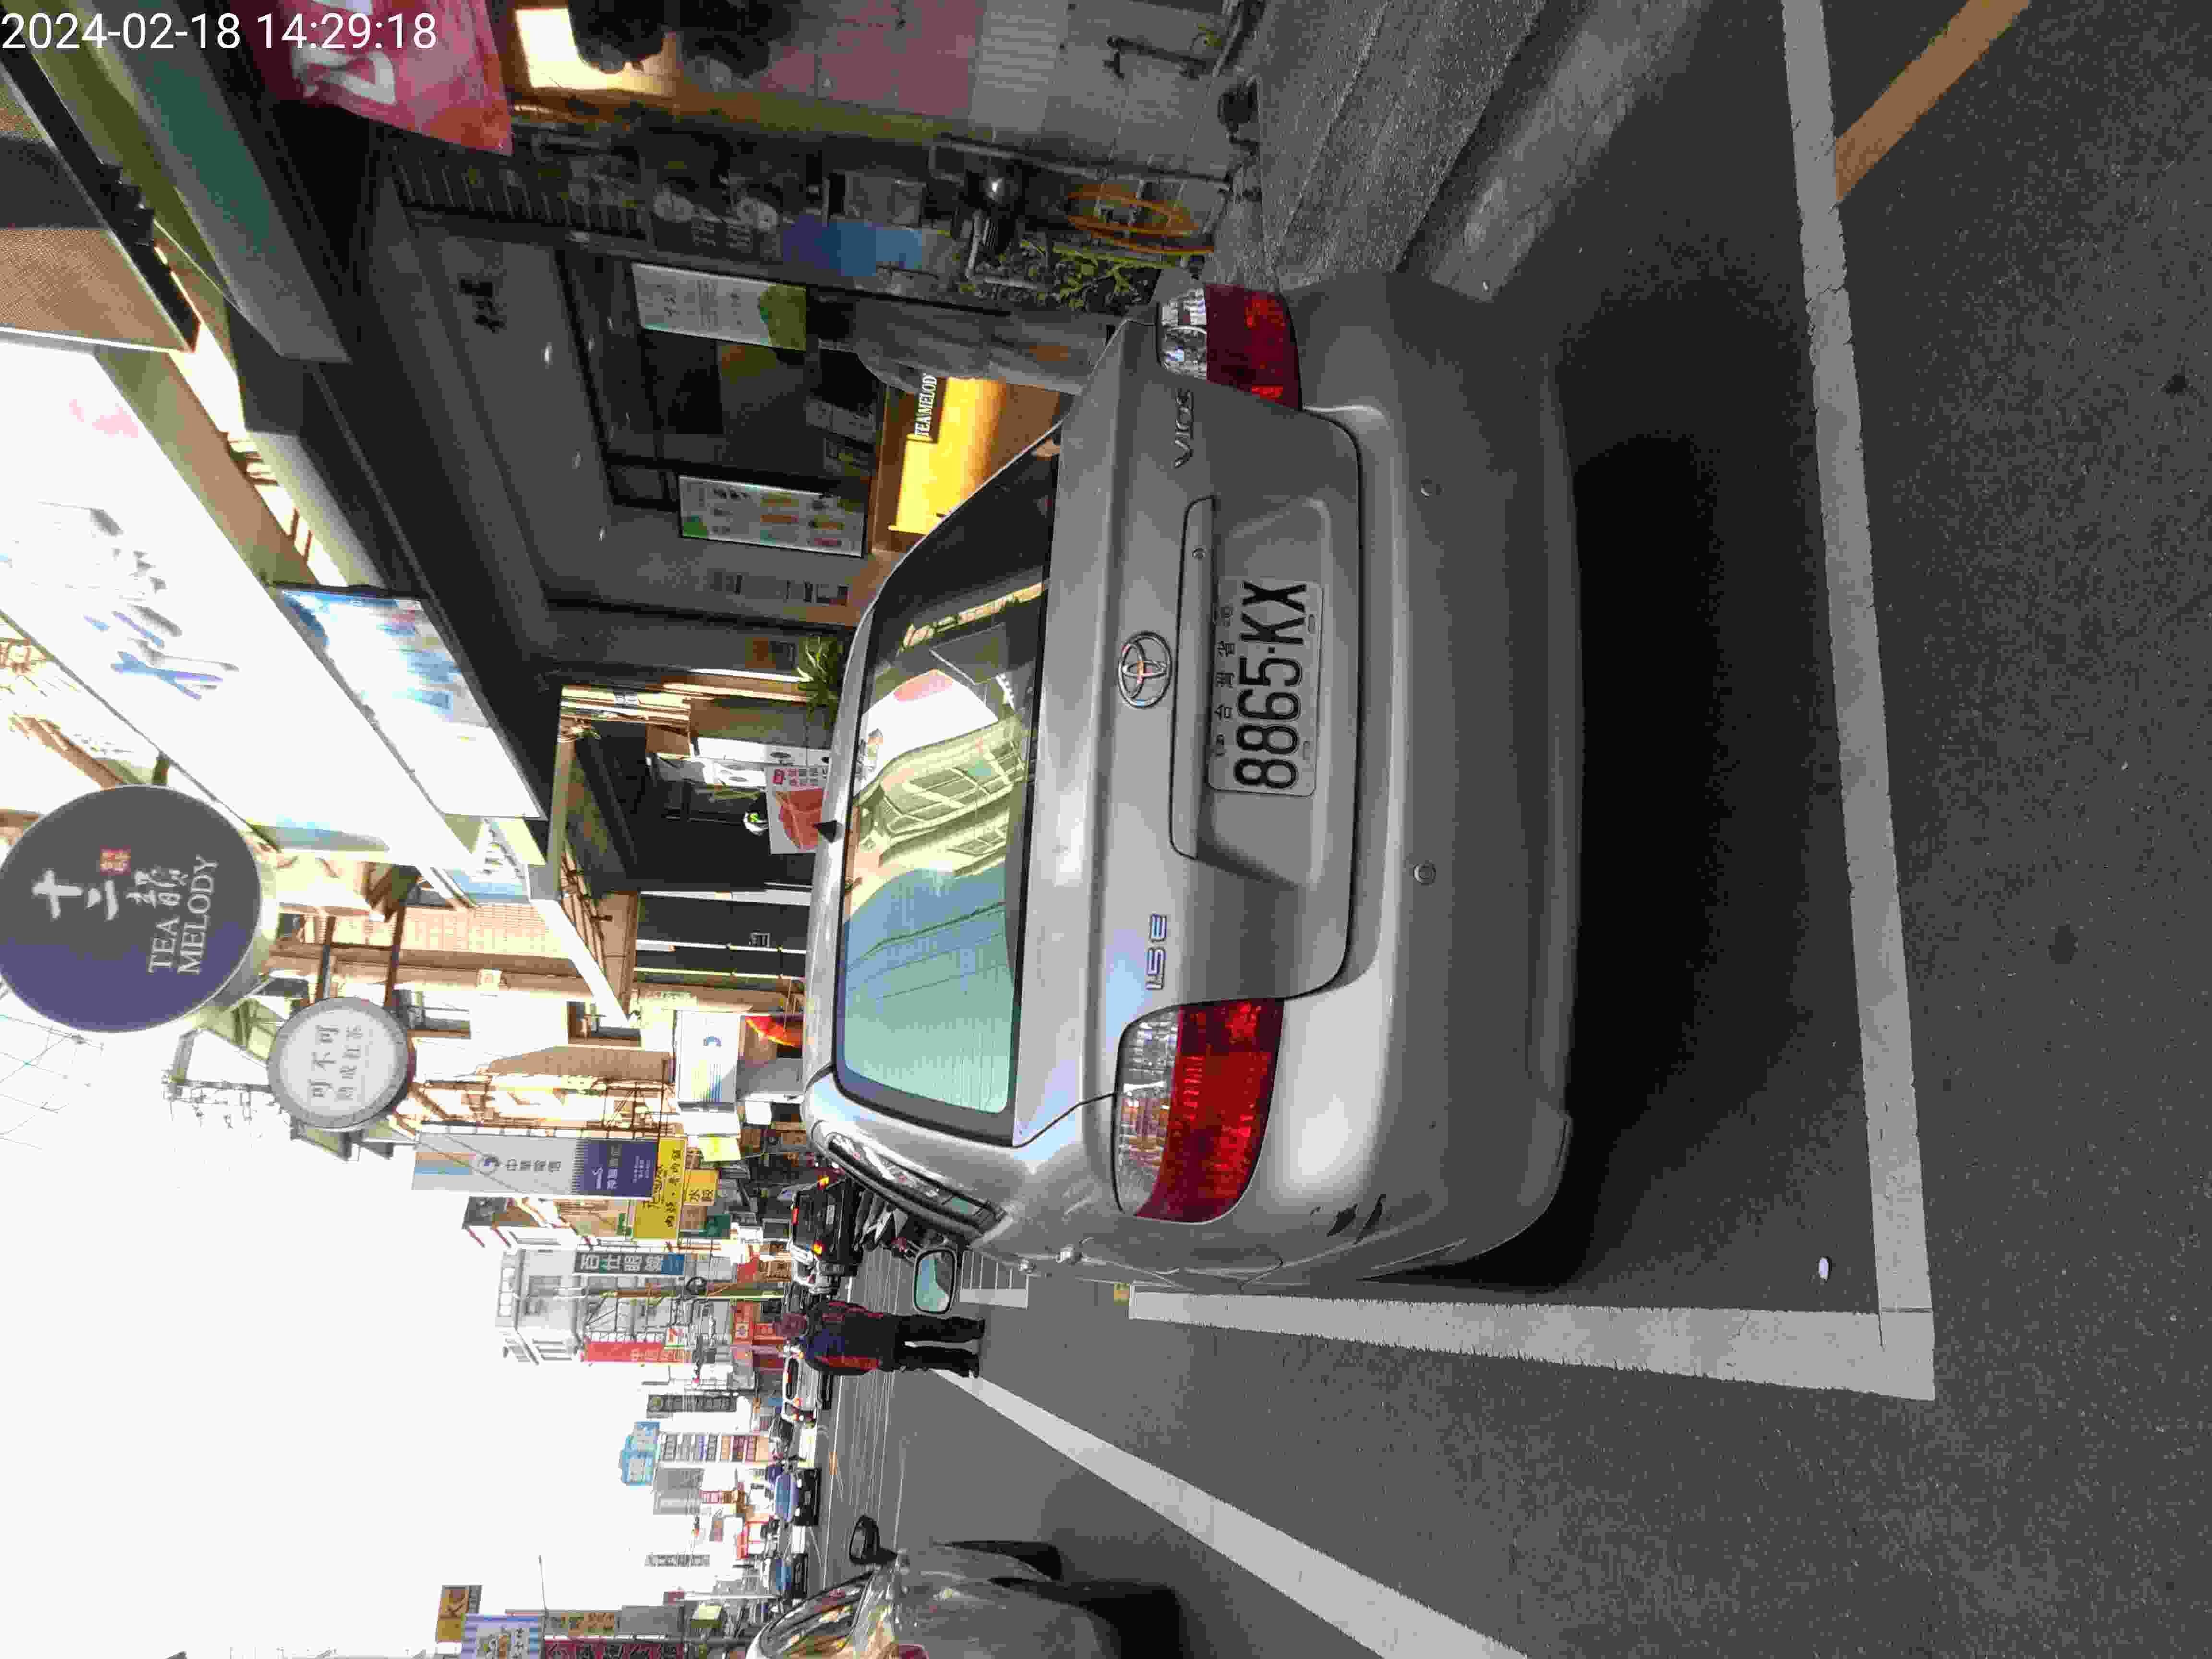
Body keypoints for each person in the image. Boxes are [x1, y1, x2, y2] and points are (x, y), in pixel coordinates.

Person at [787, 1298, 987, 1378]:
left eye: (790, 1319)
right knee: (930, 1359)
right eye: (789, 1328)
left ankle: (971, 1330)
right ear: (791, 1336)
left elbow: (851, 1307)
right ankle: (968, 1362)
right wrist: (873, 1363)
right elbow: (844, 1370)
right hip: (884, 1356)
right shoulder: (812, 1356)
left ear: (794, 1314)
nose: (793, 1324)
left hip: (887, 1325)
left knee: (933, 1328)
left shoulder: (820, 1309)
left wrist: (873, 1318)